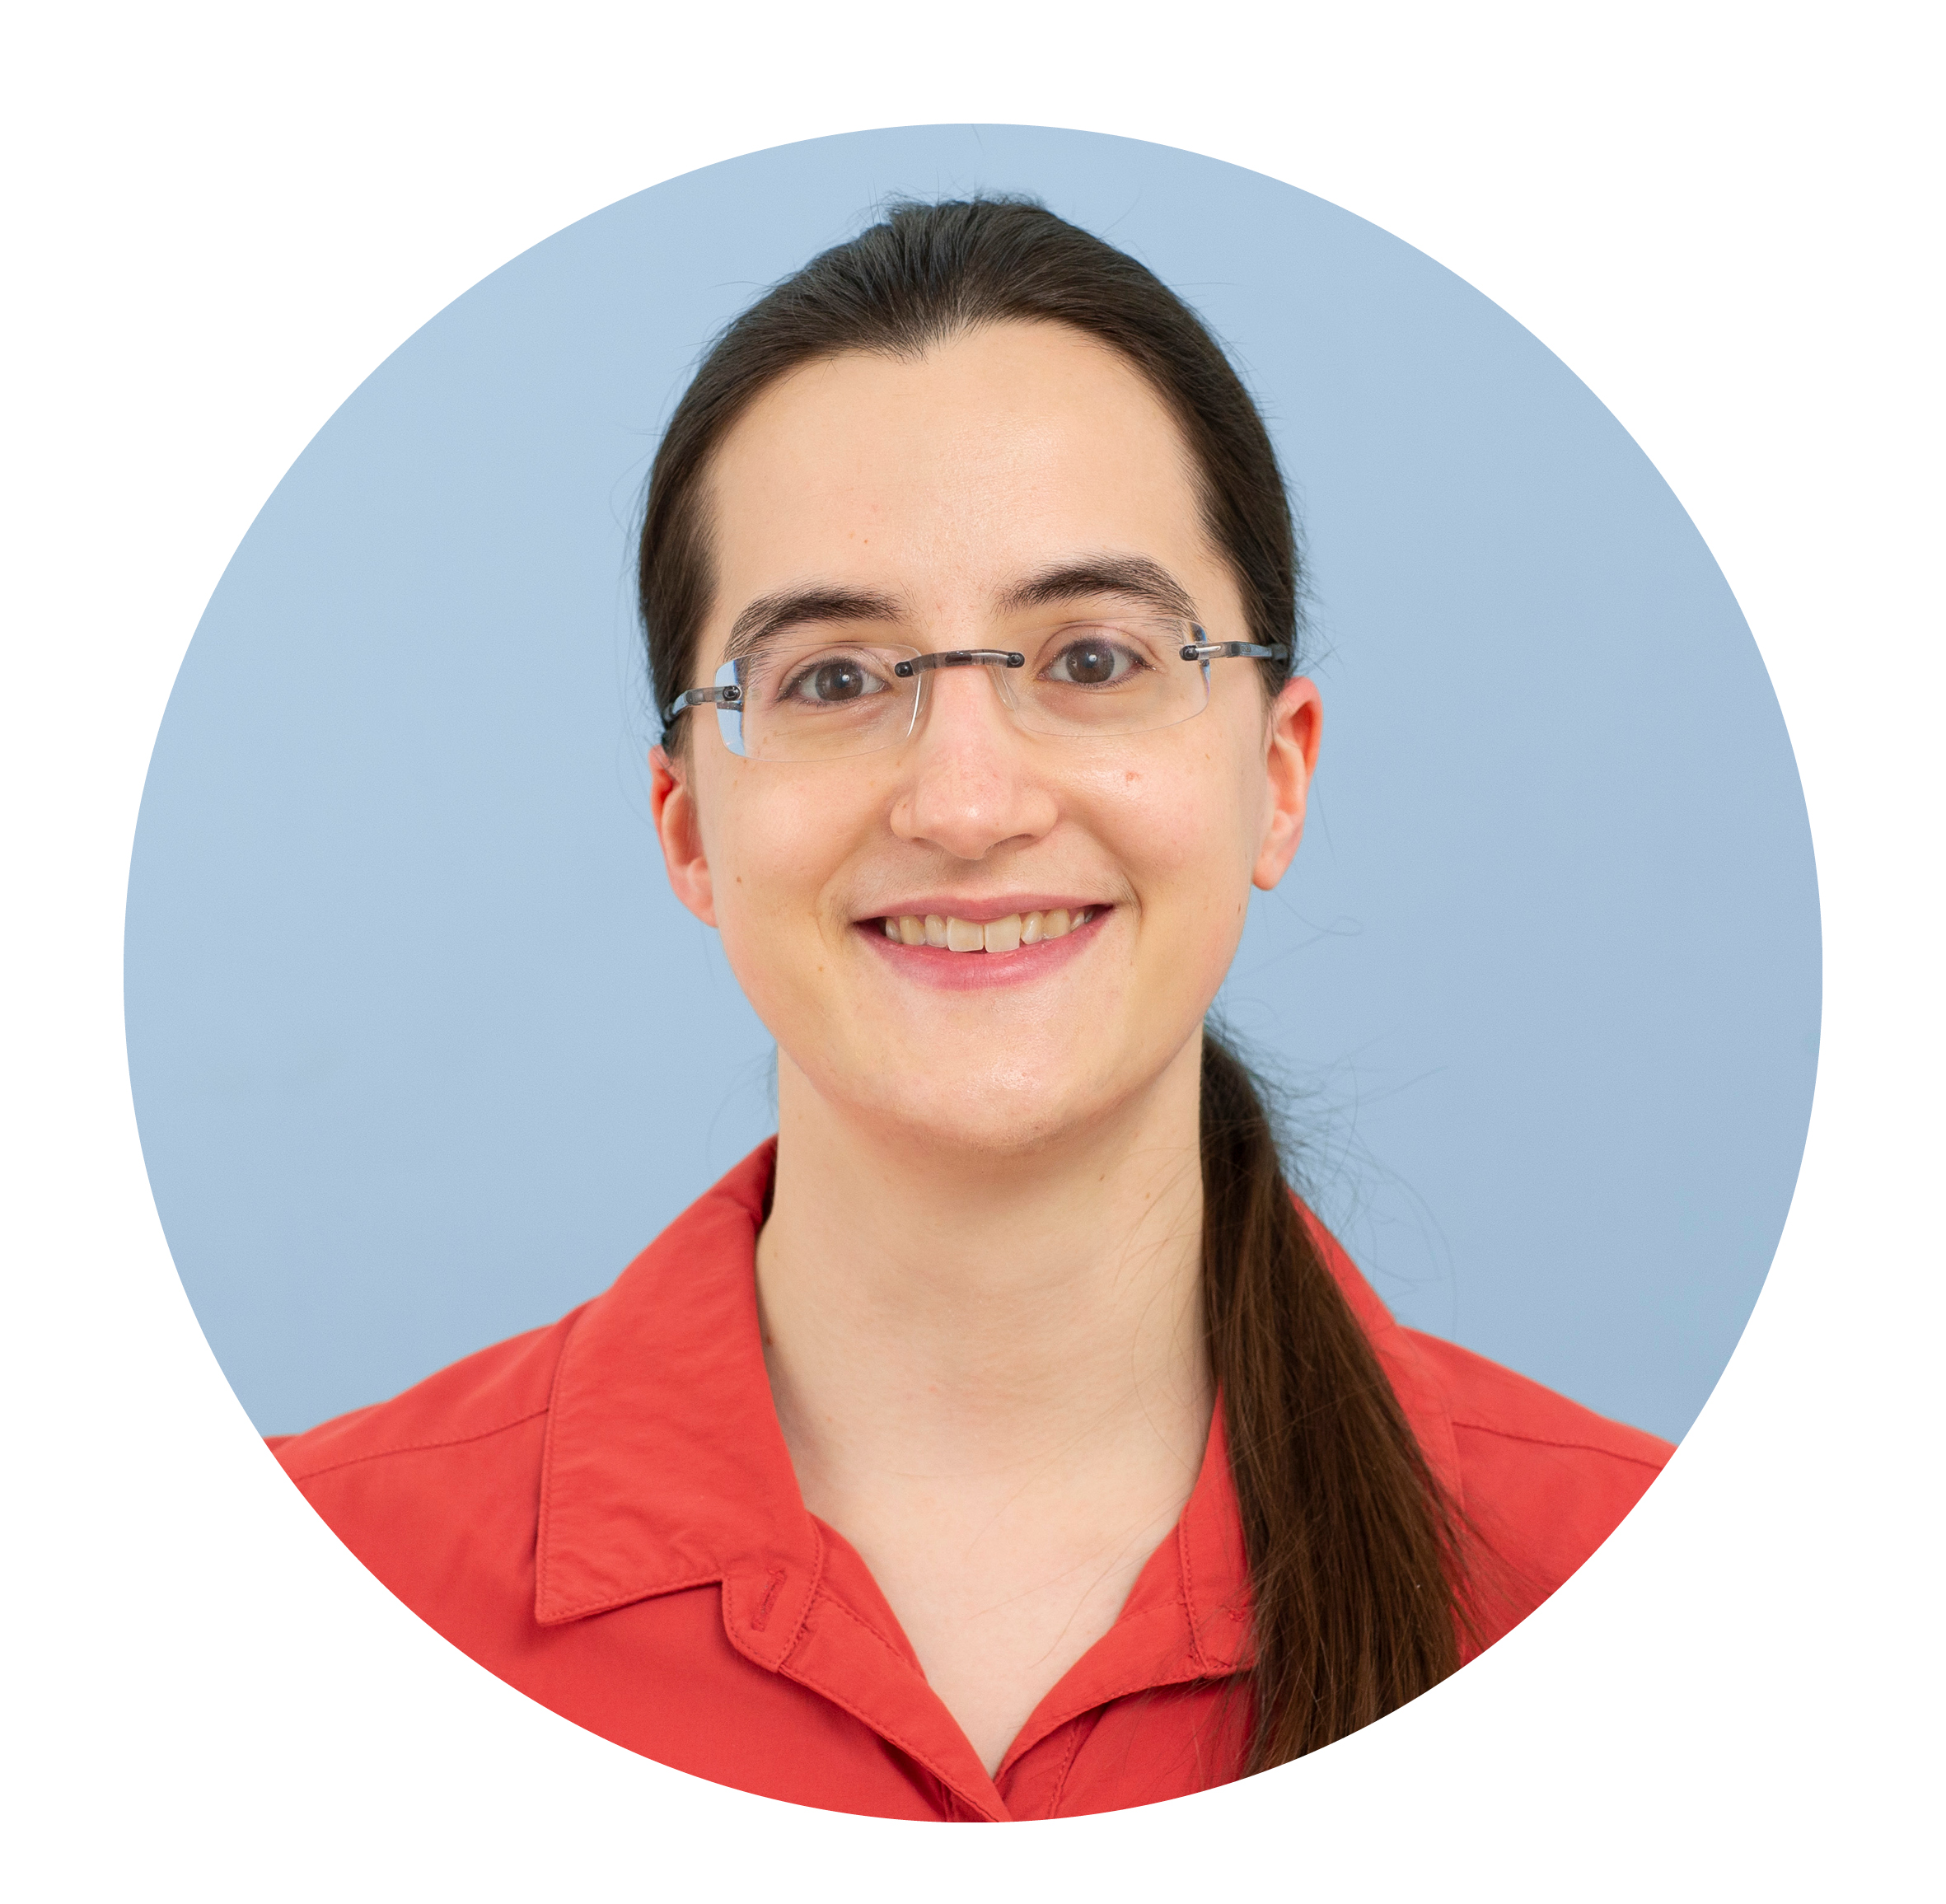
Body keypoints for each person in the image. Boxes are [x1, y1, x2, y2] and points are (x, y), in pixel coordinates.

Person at [269, 196, 1671, 1821]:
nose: (963, 799)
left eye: (1087, 658)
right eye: (834, 678)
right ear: (686, 830)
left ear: (1273, 776)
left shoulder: (1631, 1583)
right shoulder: (317, 1582)